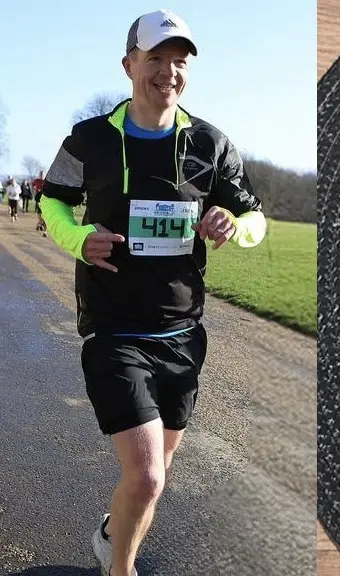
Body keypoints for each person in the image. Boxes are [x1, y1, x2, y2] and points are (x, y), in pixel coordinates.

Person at [39, 9, 267, 576]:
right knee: (147, 476)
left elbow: (256, 218)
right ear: (129, 65)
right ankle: (121, 568)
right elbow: (53, 201)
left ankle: (111, 536)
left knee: (151, 479)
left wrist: (231, 225)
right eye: (156, 59)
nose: (169, 72)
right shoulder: (89, 139)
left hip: (184, 334)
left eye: (179, 61)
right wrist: (76, 237)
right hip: (113, 330)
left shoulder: (210, 143)